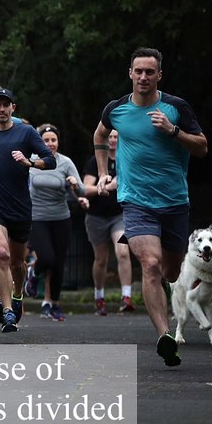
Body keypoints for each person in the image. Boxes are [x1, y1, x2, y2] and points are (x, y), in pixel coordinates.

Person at [93, 47, 207, 367]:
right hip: (135, 201)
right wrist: (103, 172)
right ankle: (165, 335)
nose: (143, 77)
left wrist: (172, 131)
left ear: (159, 75)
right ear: (130, 73)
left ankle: (167, 293)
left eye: (150, 72)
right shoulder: (116, 109)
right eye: (138, 71)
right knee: (152, 264)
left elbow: (202, 147)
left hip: (173, 202)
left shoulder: (175, 108)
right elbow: (100, 135)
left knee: (170, 270)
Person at [0, 89, 56, 333]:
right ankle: (7, 310)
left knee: (18, 262)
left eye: (6, 104)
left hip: (19, 207)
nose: (1, 109)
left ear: (13, 108)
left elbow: (50, 160)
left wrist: (30, 163)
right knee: (1, 253)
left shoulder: (26, 132)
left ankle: (18, 294)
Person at [28, 123, 86, 322]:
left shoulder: (65, 162)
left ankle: (54, 304)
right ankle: (33, 272)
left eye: (53, 140)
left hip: (61, 217)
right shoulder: (32, 162)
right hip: (37, 217)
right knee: (47, 258)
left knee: (59, 263)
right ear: (39, 143)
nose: (50, 144)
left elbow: (82, 192)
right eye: (46, 140)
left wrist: (74, 184)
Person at [80, 129, 135, 315]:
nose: (112, 140)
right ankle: (99, 297)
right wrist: (106, 187)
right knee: (101, 259)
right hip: (96, 217)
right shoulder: (95, 161)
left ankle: (126, 297)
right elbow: (84, 189)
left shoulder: (126, 160)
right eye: (110, 136)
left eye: (116, 137)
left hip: (119, 216)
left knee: (123, 252)